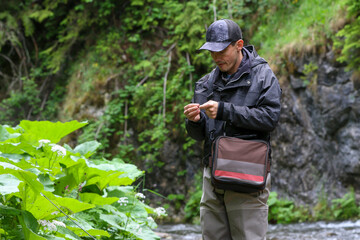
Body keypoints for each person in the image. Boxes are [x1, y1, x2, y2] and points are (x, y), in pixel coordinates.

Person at [183, 19, 281, 240]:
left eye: (221, 50)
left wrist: (225, 111)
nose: (216, 57)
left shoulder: (263, 77)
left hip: (247, 173)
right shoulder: (205, 84)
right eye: (211, 51)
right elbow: (198, 136)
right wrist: (195, 121)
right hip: (212, 176)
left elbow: (270, 119)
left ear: (239, 45)